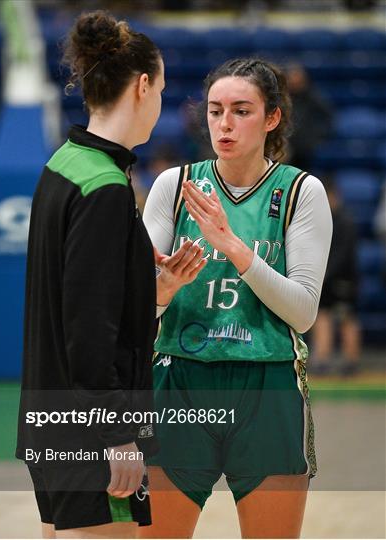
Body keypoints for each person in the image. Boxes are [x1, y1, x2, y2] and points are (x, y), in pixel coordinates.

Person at [140, 58, 333, 538]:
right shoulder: (173, 185)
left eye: (242, 110)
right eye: (215, 110)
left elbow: (303, 312)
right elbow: (135, 310)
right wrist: (161, 293)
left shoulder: (301, 192)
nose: (224, 124)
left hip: (266, 385)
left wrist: (234, 248)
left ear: (272, 118)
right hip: (179, 378)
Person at [15, 10, 167, 539]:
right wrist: (119, 435)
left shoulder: (64, 163)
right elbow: (88, 330)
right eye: (162, 88)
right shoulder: (104, 187)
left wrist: (153, 290)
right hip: (90, 434)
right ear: (143, 85)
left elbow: (74, 302)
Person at [311, 175, 361, 376]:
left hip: (343, 280)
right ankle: (322, 359)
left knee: (346, 318)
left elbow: (343, 256)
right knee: (322, 315)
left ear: (334, 196)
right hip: (324, 277)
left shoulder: (346, 222)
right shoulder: (319, 220)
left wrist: (324, 274)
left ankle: (351, 361)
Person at [286, 63, 333, 172]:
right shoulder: (283, 98)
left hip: (307, 149)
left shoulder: (314, 98)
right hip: (288, 146)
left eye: (297, 76)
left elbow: (327, 118)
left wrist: (315, 138)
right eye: (292, 76)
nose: (294, 80)